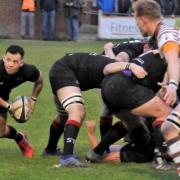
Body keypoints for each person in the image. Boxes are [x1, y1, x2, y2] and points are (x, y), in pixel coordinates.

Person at [44, 52, 148, 167]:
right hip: (65, 71)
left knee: (64, 116)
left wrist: (105, 147)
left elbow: (108, 113)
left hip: (63, 69)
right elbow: (108, 68)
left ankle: (50, 149)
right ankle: (67, 158)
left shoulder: (120, 79)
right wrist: (130, 66)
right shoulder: (122, 72)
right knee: (78, 112)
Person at [133, 0, 180, 176]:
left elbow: (174, 60)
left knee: (169, 128)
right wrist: (168, 81)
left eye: (136, 20)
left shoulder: (166, 35)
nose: (137, 24)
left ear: (143, 19)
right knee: (169, 128)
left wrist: (173, 85)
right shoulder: (167, 34)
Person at [0, 45, 43, 158]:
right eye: (8, 60)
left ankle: (20, 138)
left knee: (1, 132)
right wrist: (9, 107)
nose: (10, 64)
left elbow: (39, 81)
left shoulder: (29, 71)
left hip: (2, 96)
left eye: (15, 61)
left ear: (21, 63)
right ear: (3, 58)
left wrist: (33, 100)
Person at [86, 120, 156, 164]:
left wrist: (91, 133)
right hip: (141, 145)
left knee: (103, 155)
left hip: (143, 151)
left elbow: (100, 158)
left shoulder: (138, 153)